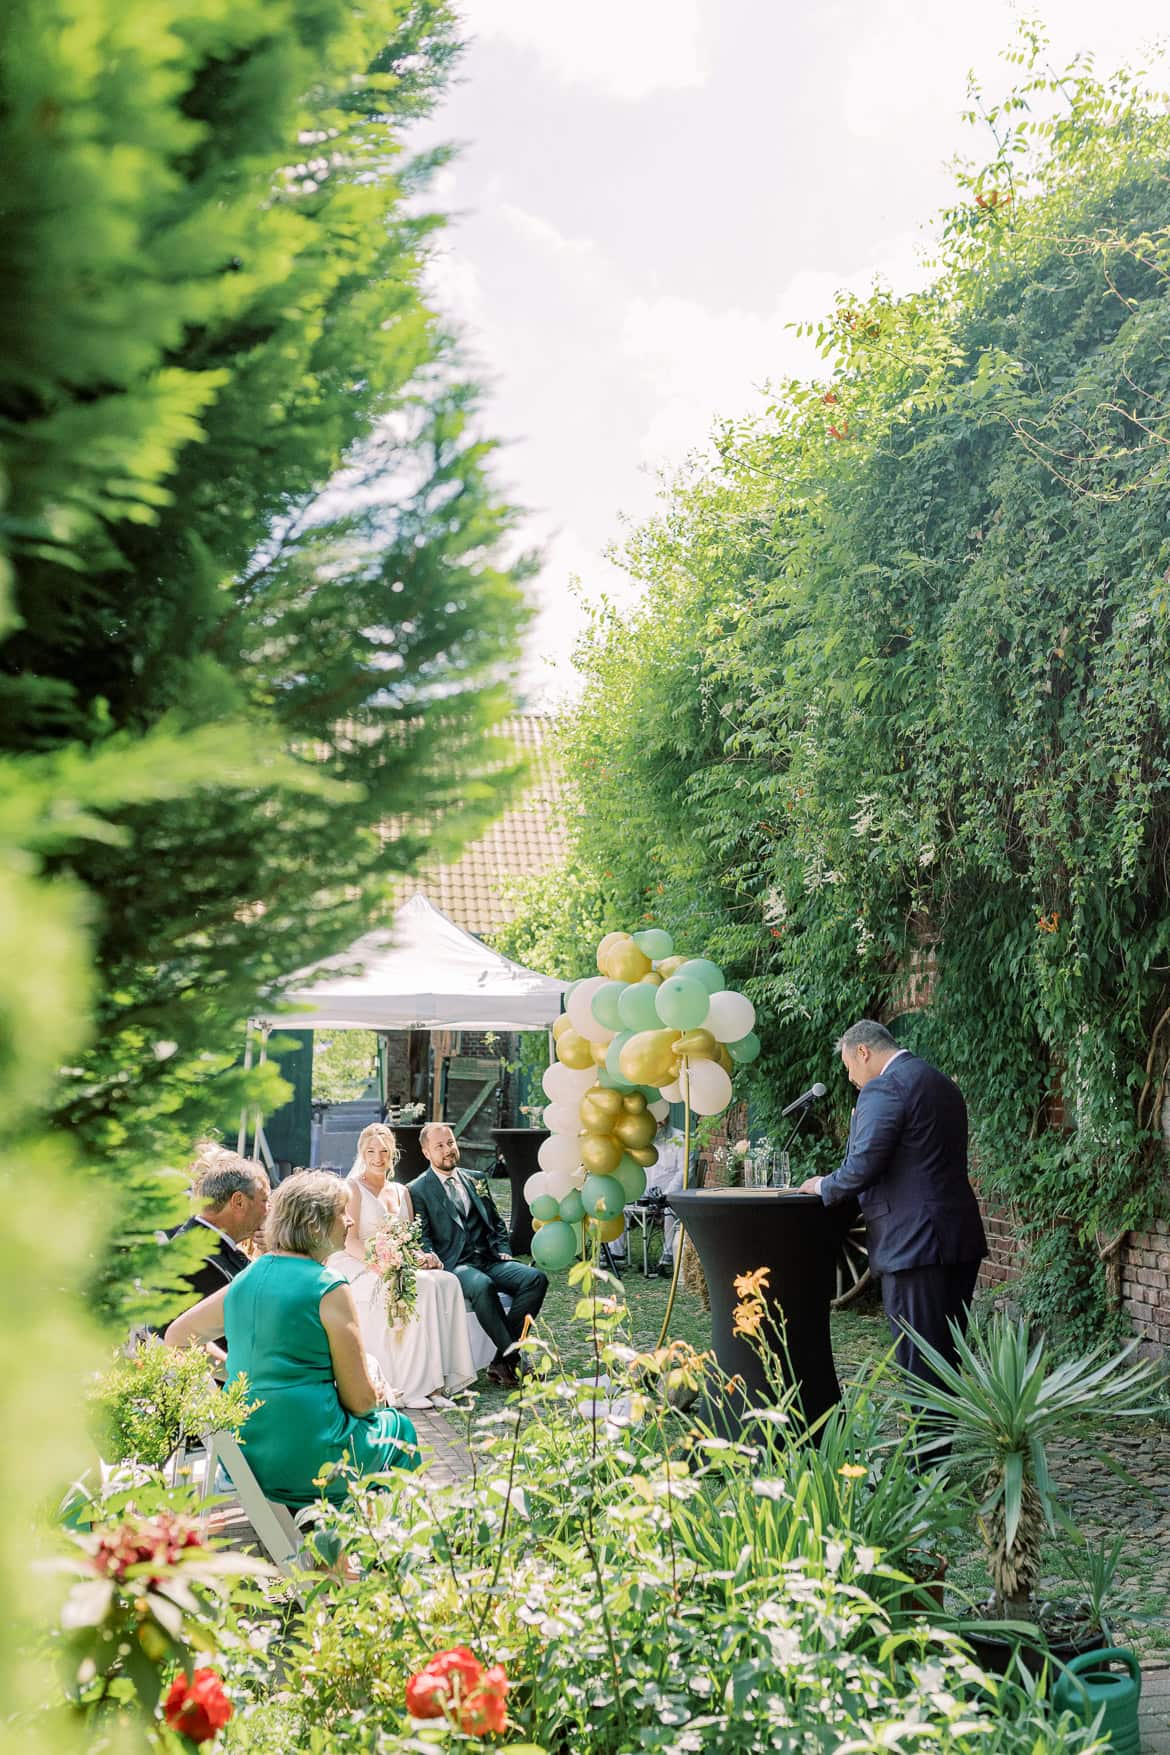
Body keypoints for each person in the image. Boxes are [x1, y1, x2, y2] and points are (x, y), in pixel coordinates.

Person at [164, 1170, 418, 1508]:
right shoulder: (329, 1286)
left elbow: (177, 1337)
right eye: (342, 1212)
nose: (350, 1222)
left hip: (246, 1455)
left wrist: (237, 1376)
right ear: (315, 1225)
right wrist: (376, 1391)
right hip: (314, 1458)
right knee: (398, 1428)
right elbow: (360, 1402)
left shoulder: (247, 1278)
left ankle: (329, 1541)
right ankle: (378, 1548)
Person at [799, 1019, 987, 1388]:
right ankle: (940, 1444)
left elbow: (863, 1165)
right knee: (946, 1361)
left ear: (863, 1052)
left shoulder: (884, 1088)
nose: (851, 1077)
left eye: (848, 1066)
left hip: (913, 1244)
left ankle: (926, 1447)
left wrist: (823, 1185)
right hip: (957, 1238)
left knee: (920, 1364)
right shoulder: (940, 1082)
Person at [328, 1123, 475, 1410]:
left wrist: (424, 1256)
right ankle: (416, 1386)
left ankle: (447, 1380)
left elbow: (410, 1238)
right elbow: (350, 1240)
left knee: (446, 1281)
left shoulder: (400, 1191)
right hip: (360, 1263)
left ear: (392, 1153)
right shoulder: (354, 1189)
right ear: (362, 1153)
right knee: (421, 1286)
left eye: (383, 1151)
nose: (377, 1158)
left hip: (396, 1260)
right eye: (370, 1152)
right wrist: (383, 1262)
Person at [408, 1123, 548, 1387]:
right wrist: (432, 1259)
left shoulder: (476, 1178)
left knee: (535, 1279)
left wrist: (504, 1250)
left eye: (450, 1143)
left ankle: (501, 1361)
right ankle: (514, 1362)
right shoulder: (417, 1189)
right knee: (483, 1286)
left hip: (489, 1258)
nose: (448, 1150)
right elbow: (422, 1235)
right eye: (439, 1146)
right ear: (426, 1152)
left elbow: (496, 1221)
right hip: (454, 1265)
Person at [163, 1145, 271, 1356]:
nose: (269, 1211)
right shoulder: (203, 1261)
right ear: (238, 1201)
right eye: (265, 1201)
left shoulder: (208, 1244)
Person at [650, 1118, 688, 1278]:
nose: (660, 1123)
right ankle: (617, 1254)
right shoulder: (646, 1139)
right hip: (647, 1192)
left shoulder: (680, 1138)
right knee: (620, 1205)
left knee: (670, 1211)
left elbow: (683, 1172)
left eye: (662, 1119)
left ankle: (667, 1254)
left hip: (670, 1193)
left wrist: (667, 1193)